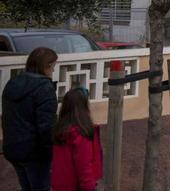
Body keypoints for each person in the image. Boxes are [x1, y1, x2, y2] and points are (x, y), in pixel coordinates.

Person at [2, 47, 58, 191]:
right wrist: (50, 153)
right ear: (47, 65)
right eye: (53, 66)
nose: (53, 70)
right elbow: (46, 126)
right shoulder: (44, 88)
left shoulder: (13, 83)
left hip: (13, 147)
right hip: (35, 152)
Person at [51, 88, 103, 191]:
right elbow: (84, 165)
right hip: (76, 185)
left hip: (62, 184)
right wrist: (89, 187)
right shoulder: (81, 133)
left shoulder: (60, 129)